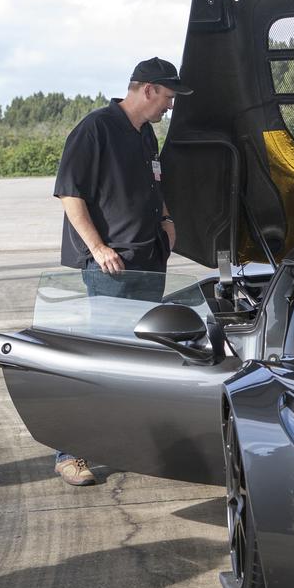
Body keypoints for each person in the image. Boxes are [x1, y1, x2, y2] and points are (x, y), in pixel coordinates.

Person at [49, 56, 193, 485]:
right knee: (101, 361)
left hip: (149, 262)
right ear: (147, 89)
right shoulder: (96, 129)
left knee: (142, 358)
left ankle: (130, 443)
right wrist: (98, 247)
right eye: (167, 98)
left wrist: (167, 223)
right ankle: (69, 453)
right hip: (111, 269)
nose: (169, 107)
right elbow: (69, 194)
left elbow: (155, 185)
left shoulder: (145, 135)